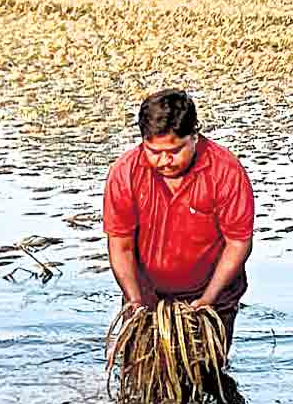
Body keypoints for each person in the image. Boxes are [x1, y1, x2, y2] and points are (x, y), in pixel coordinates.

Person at [103, 89, 255, 352]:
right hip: (147, 296)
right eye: (154, 152)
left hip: (213, 297)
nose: (164, 161)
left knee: (208, 374)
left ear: (194, 136)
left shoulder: (226, 171)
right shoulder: (125, 172)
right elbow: (120, 246)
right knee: (141, 372)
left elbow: (238, 244)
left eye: (174, 151)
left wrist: (208, 299)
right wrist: (136, 301)